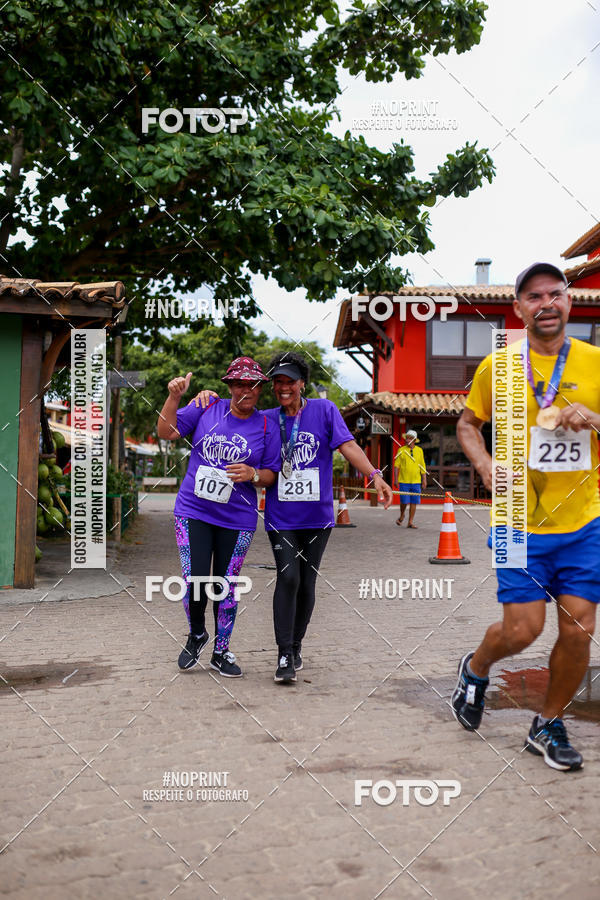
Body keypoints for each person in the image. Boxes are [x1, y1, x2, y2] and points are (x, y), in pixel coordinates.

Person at [454, 261, 600, 771]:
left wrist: (594, 418)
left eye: (554, 294)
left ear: (569, 302)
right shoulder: (499, 367)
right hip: (517, 518)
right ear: (518, 309)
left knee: (579, 628)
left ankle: (548, 723)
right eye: (533, 297)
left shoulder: (595, 362)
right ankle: (475, 668)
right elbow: (468, 425)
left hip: (585, 521)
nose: (546, 304)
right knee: (522, 631)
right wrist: (484, 462)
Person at [193, 351, 394, 684]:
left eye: (290, 381)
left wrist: (374, 474)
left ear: (303, 384)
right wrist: (208, 398)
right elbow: (235, 410)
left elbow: (348, 446)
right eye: (278, 382)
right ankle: (284, 653)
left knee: (307, 582)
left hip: (317, 516)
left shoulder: (325, 411)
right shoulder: (266, 417)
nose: (283, 388)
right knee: (288, 578)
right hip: (280, 516)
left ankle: (297, 645)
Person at [157, 357, 281, 677]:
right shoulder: (207, 405)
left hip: (238, 519)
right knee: (195, 581)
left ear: (260, 389)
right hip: (193, 511)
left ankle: (221, 651)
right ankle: (197, 633)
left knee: (226, 587)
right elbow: (165, 431)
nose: (246, 390)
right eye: (239, 383)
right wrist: (174, 397)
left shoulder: (267, 425)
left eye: (252, 384)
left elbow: (270, 475)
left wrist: (254, 473)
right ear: (228, 386)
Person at [393, 430, 427, 527]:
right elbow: (396, 466)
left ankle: (410, 522)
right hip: (404, 481)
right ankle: (402, 515)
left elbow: (422, 466)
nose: (407, 440)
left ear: (415, 440)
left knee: (414, 501)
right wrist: (395, 479)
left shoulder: (420, 451)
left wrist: (424, 480)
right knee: (404, 501)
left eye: (410, 438)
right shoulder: (401, 450)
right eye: (406, 438)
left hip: (416, 481)